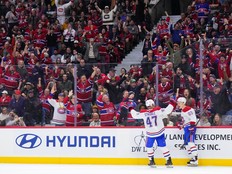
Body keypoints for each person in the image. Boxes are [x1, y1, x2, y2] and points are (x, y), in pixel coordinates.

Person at [130, 99, 175, 168]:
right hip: (159, 132)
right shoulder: (158, 111)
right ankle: (168, 160)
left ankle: (151, 161)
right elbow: (167, 111)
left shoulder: (144, 113)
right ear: (153, 104)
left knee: (149, 147)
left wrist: (131, 109)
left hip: (150, 133)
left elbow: (135, 115)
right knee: (162, 147)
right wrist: (172, 103)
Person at [177, 97, 198, 167]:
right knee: (186, 144)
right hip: (186, 128)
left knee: (190, 142)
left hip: (190, 128)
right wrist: (181, 125)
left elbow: (193, 118)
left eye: (179, 102)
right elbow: (185, 120)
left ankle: (195, 159)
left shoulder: (188, 109)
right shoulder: (183, 111)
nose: (178, 104)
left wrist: (192, 126)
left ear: (183, 102)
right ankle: (192, 157)